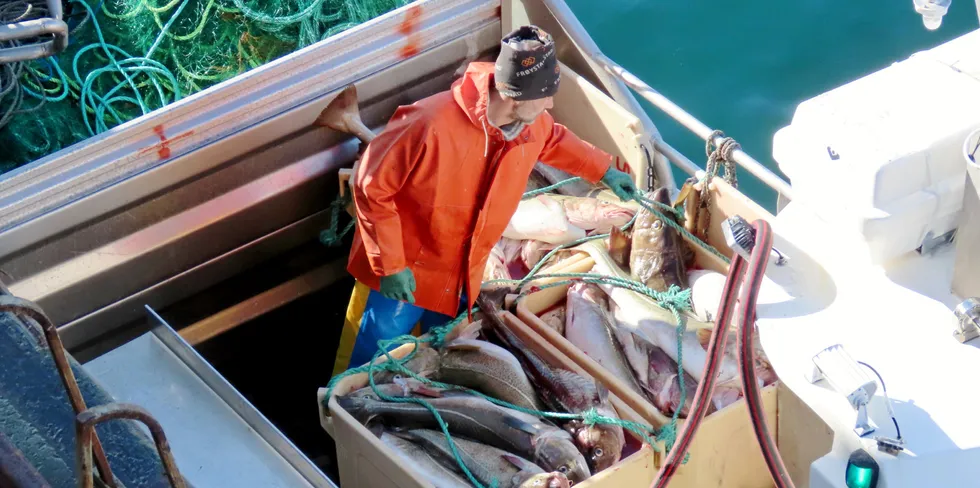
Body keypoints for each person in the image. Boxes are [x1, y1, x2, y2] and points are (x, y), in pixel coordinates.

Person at [332, 25, 637, 376]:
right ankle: (336, 412)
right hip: (401, 274)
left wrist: (605, 171)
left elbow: (554, 138)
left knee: (435, 351)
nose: (551, 104)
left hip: (462, 273)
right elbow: (371, 186)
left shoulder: (532, 123)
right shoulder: (427, 122)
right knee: (368, 356)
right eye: (545, 95)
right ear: (512, 97)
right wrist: (390, 265)